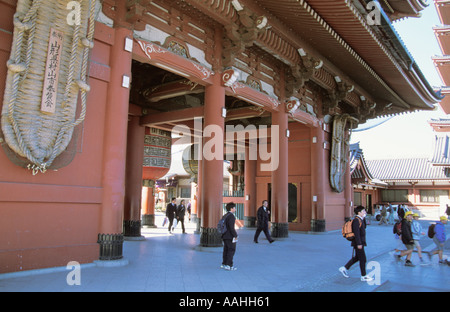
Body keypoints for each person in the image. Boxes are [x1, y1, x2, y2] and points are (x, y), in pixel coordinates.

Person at [339, 206, 374, 282]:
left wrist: (364, 218)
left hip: (360, 242)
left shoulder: (360, 220)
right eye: (364, 211)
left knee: (357, 257)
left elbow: (364, 228)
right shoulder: (356, 221)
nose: (365, 212)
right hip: (358, 243)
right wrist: (359, 243)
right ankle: (363, 276)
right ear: (359, 212)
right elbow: (356, 233)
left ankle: (344, 268)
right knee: (363, 259)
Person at [221, 202, 238, 271]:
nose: (235, 209)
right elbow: (231, 228)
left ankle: (224, 264)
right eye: (234, 208)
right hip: (229, 236)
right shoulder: (231, 216)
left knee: (226, 250)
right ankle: (229, 265)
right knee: (231, 250)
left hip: (224, 235)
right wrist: (235, 235)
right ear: (231, 209)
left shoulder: (225, 215)